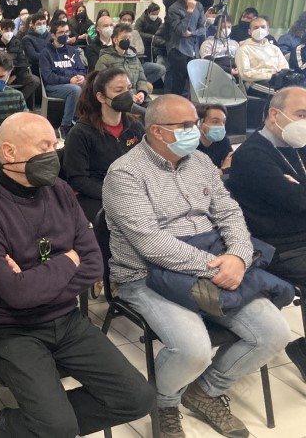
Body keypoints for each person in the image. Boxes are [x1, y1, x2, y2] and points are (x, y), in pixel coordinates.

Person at [102, 94, 291, 438]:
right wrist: (216, 267)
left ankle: (204, 391)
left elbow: (229, 212)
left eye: (196, 122)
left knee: (274, 332)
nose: (197, 130)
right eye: (187, 125)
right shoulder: (125, 173)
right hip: (147, 275)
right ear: (157, 131)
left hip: (214, 260)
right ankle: (165, 403)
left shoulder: (200, 162)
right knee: (193, 349)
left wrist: (239, 256)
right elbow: (150, 243)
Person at [0, 112, 154, 437]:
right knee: (57, 427)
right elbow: (17, 295)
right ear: (9, 152)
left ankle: (45, 423)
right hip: (9, 329)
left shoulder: (59, 190)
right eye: (43, 147)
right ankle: (13, 425)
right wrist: (68, 261)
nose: (53, 154)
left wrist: (35, 279)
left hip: (66, 319)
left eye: (54, 144)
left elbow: (93, 265)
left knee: (138, 399)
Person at [228, 87, 306, 380]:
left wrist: (297, 189)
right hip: (275, 246)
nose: (305, 122)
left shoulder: (298, 146)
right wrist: (297, 192)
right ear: (275, 114)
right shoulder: (252, 155)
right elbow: (297, 202)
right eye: (301, 114)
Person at [62, 69, 144, 222]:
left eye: (129, 88)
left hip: (132, 190)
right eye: (119, 90)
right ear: (100, 97)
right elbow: (78, 180)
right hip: (96, 196)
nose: (127, 95)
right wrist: (115, 195)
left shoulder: (135, 126)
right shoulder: (80, 133)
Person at [38, 20, 87, 138]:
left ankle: (85, 122)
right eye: (61, 32)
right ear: (53, 35)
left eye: (66, 32)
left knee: (91, 85)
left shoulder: (72, 50)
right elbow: (48, 77)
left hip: (73, 83)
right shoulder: (46, 53)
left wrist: (82, 76)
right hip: (53, 86)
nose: (65, 35)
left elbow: (81, 69)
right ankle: (65, 125)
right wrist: (69, 80)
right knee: (75, 90)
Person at [0, 19, 39, 109]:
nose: (9, 32)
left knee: (35, 80)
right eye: (6, 30)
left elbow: (23, 63)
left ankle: (16, 102)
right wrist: (2, 77)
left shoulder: (17, 43)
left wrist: (13, 76)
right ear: (1, 31)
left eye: (11, 30)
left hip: (15, 74)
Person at [165, 0, 206, 96]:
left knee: (193, 84)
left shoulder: (199, 6)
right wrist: (189, 11)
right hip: (178, 50)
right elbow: (181, 31)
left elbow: (202, 29)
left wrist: (192, 33)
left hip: (193, 50)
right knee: (179, 85)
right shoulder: (174, 8)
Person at [94, 23, 151, 102]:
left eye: (129, 38)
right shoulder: (105, 59)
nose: (127, 41)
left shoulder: (134, 58)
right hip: (118, 99)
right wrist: (128, 96)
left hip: (137, 96)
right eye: (124, 38)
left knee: (155, 107)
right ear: (115, 40)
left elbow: (141, 79)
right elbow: (102, 84)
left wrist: (142, 92)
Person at [236, 17, 290, 97]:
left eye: (263, 27)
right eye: (256, 28)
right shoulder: (243, 49)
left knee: (296, 92)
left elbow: (285, 67)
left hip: (276, 81)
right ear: (250, 31)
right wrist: (269, 75)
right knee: (283, 96)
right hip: (254, 82)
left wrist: (277, 76)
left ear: (268, 31)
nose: (260, 30)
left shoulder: (275, 49)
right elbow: (245, 73)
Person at [195, 103, 233, 175]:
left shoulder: (223, 141)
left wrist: (222, 170)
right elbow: (194, 175)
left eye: (223, 122)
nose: (221, 126)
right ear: (199, 123)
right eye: (215, 122)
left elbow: (232, 166)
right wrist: (222, 171)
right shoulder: (190, 145)